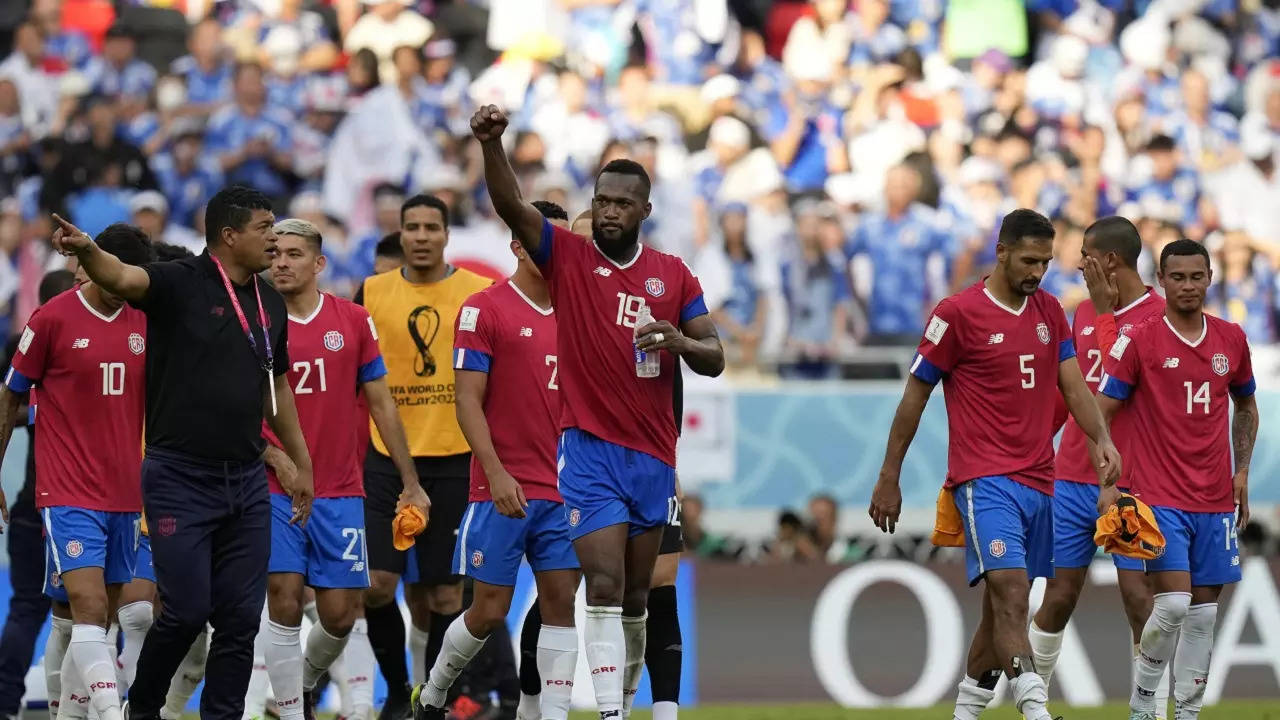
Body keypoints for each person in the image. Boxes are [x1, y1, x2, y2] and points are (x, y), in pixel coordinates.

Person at [470, 104, 724, 720]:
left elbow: (714, 356)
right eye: (602, 200)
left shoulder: (673, 276)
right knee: (604, 588)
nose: (609, 211)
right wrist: (493, 146)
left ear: (644, 210)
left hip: (654, 459)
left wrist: (681, 342)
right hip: (586, 452)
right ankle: (610, 712)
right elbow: (511, 205)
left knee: (638, 596)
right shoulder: (569, 259)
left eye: (621, 203)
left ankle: (627, 700)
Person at [48, 185, 316, 720]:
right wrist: (87, 251)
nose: (274, 236)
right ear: (229, 235)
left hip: (244, 479)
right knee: (187, 610)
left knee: (241, 620)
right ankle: (141, 708)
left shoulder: (268, 302)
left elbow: (278, 388)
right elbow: (123, 277)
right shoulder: (179, 282)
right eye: (265, 227)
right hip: (179, 478)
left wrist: (300, 460)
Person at [868, 208, 1121, 720]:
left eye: (1045, 263)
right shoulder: (956, 314)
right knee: (1010, 594)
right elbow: (914, 397)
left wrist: (1101, 438)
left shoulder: (1050, 310)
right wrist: (889, 475)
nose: (1036, 272)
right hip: (983, 479)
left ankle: (965, 712)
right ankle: (1036, 710)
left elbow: (1072, 384)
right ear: (1001, 252)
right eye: (1028, 260)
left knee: (997, 615)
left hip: (1039, 480)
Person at [412, 200, 579, 719]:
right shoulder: (484, 308)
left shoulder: (580, 313)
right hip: (501, 488)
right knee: (488, 610)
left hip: (566, 488)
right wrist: (497, 473)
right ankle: (435, 692)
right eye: (537, 238)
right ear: (515, 244)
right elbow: (466, 400)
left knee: (560, 605)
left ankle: (549, 714)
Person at [263, 219, 424, 717]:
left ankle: (299, 686)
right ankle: (291, 710)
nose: (281, 263)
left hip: (340, 489)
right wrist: (274, 456)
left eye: (293, 254)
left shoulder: (351, 321)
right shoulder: (256, 322)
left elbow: (382, 402)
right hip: (275, 487)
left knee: (339, 614)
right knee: (284, 597)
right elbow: (234, 404)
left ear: (318, 264)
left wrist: (410, 479)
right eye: (275, 254)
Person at [1098, 239, 1258, 720]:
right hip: (1157, 495)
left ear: (1210, 278)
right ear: (1161, 280)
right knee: (1171, 607)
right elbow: (1100, 412)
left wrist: (1242, 471)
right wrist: (1109, 484)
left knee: (1204, 616)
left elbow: (1246, 405)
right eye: (1178, 277)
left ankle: (1186, 713)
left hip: (1213, 498)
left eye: (1196, 276)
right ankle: (1144, 701)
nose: (1188, 285)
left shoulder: (1231, 338)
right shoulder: (1139, 339)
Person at [0, 224, 154, 720]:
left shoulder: (147, 320)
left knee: (100, 620)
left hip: (125, 492)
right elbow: (10, 396)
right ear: (90, 264)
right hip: (65, 490)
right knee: (86, 610)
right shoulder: (52, 318)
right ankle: (112, 713)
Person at [353, 193, 490, 718]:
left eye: (432, 226)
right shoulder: (370, 292)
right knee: (377, 586)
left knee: (443, 598)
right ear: (402, 233)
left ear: (447, 234)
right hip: (388, 454)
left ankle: (433, 700)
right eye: (413, 227)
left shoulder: (477, 293)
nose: (422, 236)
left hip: (456, 457)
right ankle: (394, 692)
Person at [1027, 217, 1168, 710]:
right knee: (1059, 597)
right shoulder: (1081, 313)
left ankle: (1147, 708)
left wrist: (1107, 315)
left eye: (1086, 253)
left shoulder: (1158, 318)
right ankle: (1033, 702)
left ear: (1110, 259)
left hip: (1131, 483)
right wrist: (1029, 448)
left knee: (1139, 602)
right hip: (1070, 479)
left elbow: (1116, 380)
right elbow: (1071, 393)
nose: (1078, 261)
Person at [0, 269, 76, 719]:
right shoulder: (69, 353)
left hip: (34, 503)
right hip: (76, 502)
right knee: (100, 613)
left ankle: (7, 703)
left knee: (29, 607)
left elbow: (15, 410)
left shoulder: (21, 356)